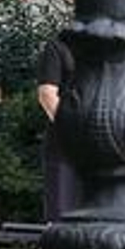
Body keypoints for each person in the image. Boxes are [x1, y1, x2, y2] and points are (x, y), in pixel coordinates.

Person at [36, 37, 81, 220]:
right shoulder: (59, 46)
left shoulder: (114, 48)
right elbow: (47, 95)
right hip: (66, 147)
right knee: (59, 224)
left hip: (104, 150)